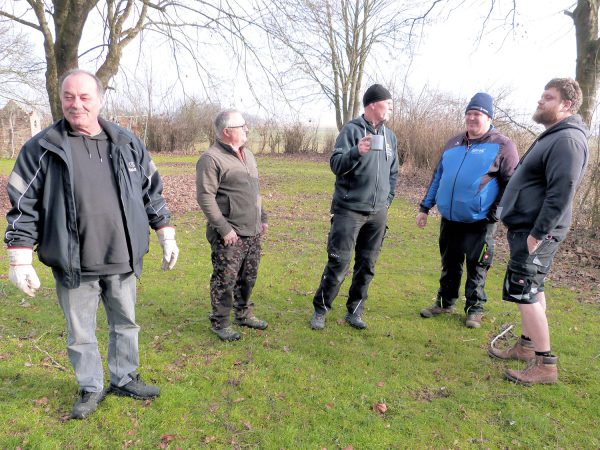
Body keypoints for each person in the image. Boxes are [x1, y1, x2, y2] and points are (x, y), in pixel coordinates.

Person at [5, 69, 179, 419]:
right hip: (73, 263)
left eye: (84, 97)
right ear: (61, 99)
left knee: (126, 324)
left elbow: (152, 191)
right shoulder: (41, 148)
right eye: (69, 96)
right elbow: (23, 203)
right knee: (80, 332)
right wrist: (19, 259)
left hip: (123, 258)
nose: (76, 104)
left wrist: (165, 232)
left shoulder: (128, 143)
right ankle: (91, 386)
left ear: (100, 99)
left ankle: (125, 377)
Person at [488, 78, 588, 385]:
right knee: (533, 288)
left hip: (537, 232)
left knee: (523, 290)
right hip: (527, 228)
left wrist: (536, 234)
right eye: (541, 95)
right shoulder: (554, 135)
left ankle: (546, 365)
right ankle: (527, 347)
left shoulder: (567, 140)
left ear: (567, 105)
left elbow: (561, 193)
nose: (540, 101)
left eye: (548, 97)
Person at [416, 93, 519, 328]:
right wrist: (425, 207)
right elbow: (438, 177)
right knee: (449, 263)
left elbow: (512, 184)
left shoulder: (503, 145)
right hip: (450, 219)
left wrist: (496, 213)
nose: (472, 118)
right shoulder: (454, 143)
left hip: (480, 221)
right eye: (469, 113)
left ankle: (475, 309)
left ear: (489, 117)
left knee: (477, 266)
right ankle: (444, 302)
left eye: (478, 114)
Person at [310, 84, 399, 330]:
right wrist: (356, 151)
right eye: (387, 103)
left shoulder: (390, 137)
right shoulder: (351, 131)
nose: (391, 107)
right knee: (339, 261)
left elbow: (394, 172)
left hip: (377, 213)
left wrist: (387, 200)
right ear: (372, 104)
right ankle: (321, 309)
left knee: (367, 265)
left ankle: (355, 312)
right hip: (349, 210)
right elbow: (336, 164)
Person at [196, 109, 269, 342]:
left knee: (248, 277)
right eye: (242, 126)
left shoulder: (248, 155)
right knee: (225, 279)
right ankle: (220, 322)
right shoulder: (211, 159)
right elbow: (205, 197)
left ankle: (244, 314)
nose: (247, 129)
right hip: (230, 234)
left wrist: (263, 217)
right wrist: (224, 228)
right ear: (227, 132)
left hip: (253, 230)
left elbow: (254, 190)